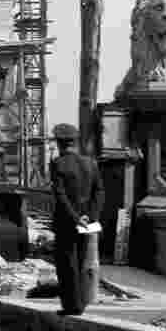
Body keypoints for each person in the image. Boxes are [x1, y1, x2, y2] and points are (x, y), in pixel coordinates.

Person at [49, 123, 104, 315]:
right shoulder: (91, 163)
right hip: (87, 221)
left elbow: (60, 195)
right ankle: (81, 302)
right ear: (76, 142)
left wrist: (74, 218)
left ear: (59, 143)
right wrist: (91, 216)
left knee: (66, 264)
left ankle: (72, 306)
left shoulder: (58, 164)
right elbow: (99, 191)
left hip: (67, 222)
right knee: (81, 261)